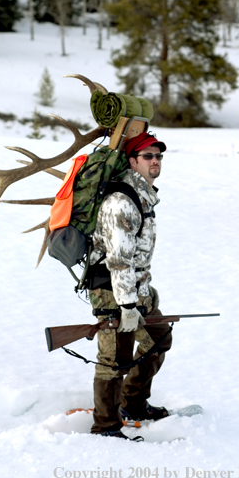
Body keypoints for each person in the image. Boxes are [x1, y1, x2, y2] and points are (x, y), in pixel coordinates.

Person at [88, 132, 172, 440]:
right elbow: (119, 260)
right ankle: (106, 426)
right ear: (133, 161)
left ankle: (133, 403)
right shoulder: (121, 202)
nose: (155, 161)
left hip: (136, 289)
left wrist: (144, 294)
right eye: (148, 156)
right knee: (114, 359)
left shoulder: (144, 195)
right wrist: (127, 305)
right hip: (113, 289)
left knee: (160, 337)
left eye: (158, 156)